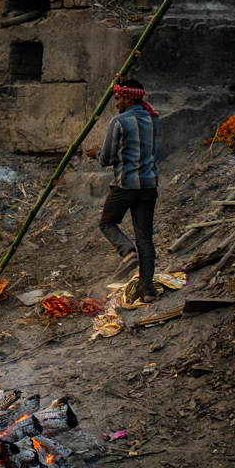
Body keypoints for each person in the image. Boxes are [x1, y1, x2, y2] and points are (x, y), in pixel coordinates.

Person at [85, 80, 160, 303]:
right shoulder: (152, 119)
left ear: (128, 98)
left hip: (125, 185)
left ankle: (127, 252)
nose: (116, 103)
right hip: (149, 185)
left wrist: (97, 152)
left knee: (107, 223)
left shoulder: (118, 122)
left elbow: (106, 159)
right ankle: (147, 292)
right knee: (145, 239)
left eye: (118, 98)